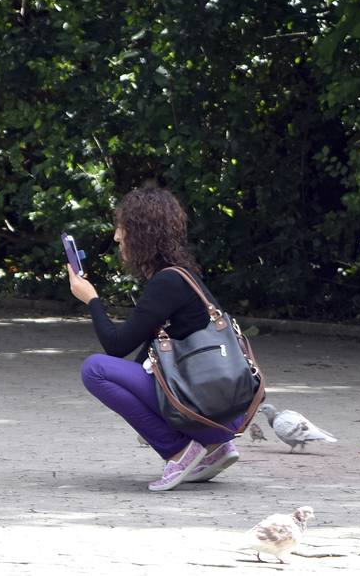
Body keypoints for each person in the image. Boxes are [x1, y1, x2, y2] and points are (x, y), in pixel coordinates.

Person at [69, 186, 243, 492]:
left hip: (207, 406)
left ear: (141, 233)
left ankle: (178, 451)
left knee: (95, 369)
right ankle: (215, 444)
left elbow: (116, 346)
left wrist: (92, 299)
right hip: (222, 409)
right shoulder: (182, 274)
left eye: (122, 228)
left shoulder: (168, 281)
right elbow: (148, 349)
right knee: (137, 372)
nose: (116, 237)